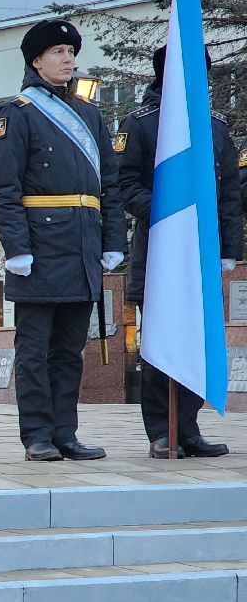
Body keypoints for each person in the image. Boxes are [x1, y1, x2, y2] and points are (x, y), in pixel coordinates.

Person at [0, 18, 125, 461]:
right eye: (58, 53)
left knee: (70, 351)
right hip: (40, 246)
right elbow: (4, 189)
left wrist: (112, 239)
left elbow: (111, 186)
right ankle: (37, 436)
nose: (68, 60)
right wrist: (17, 249)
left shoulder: (89, 114)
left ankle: (66, 432)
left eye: (71, 54)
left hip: (83, 244)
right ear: (36, 60)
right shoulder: (17, 112)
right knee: (34, 351)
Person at [119, 46, 242, 458]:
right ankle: (161, 430)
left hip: (201, 254)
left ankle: (187, 427)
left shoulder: (215, 128)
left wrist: (229, 248)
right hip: (158, 251)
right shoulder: (141, 125)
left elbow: (228, 194)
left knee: (195, 339)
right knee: (159, 342)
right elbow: (124, 184)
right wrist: (168, 215)